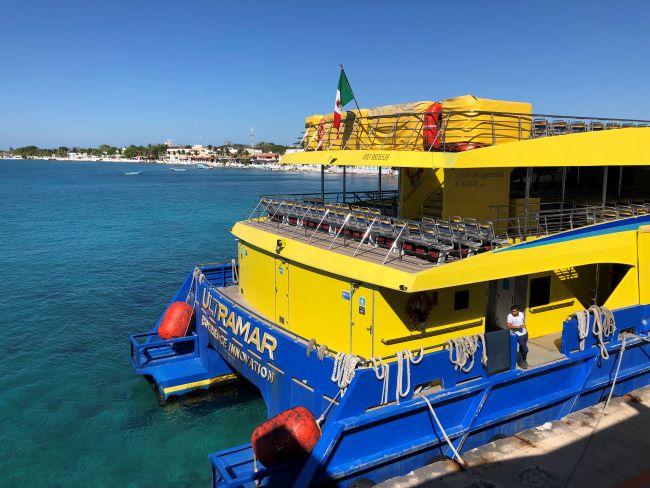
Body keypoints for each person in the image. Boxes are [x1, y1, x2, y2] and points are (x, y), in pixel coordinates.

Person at [507, 304, 528, 369]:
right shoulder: (510, 316)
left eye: (515, 311)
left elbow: (523, 321)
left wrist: (525, 328)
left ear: (518, 311)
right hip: (518, 335)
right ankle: (522, 362)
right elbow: (509, 326)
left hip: (525, 334)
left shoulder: (521, 314)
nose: (513, 312)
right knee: (525, 350)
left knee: (522, 348)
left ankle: (522, 361)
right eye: (512, 311)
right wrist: (518, 327)